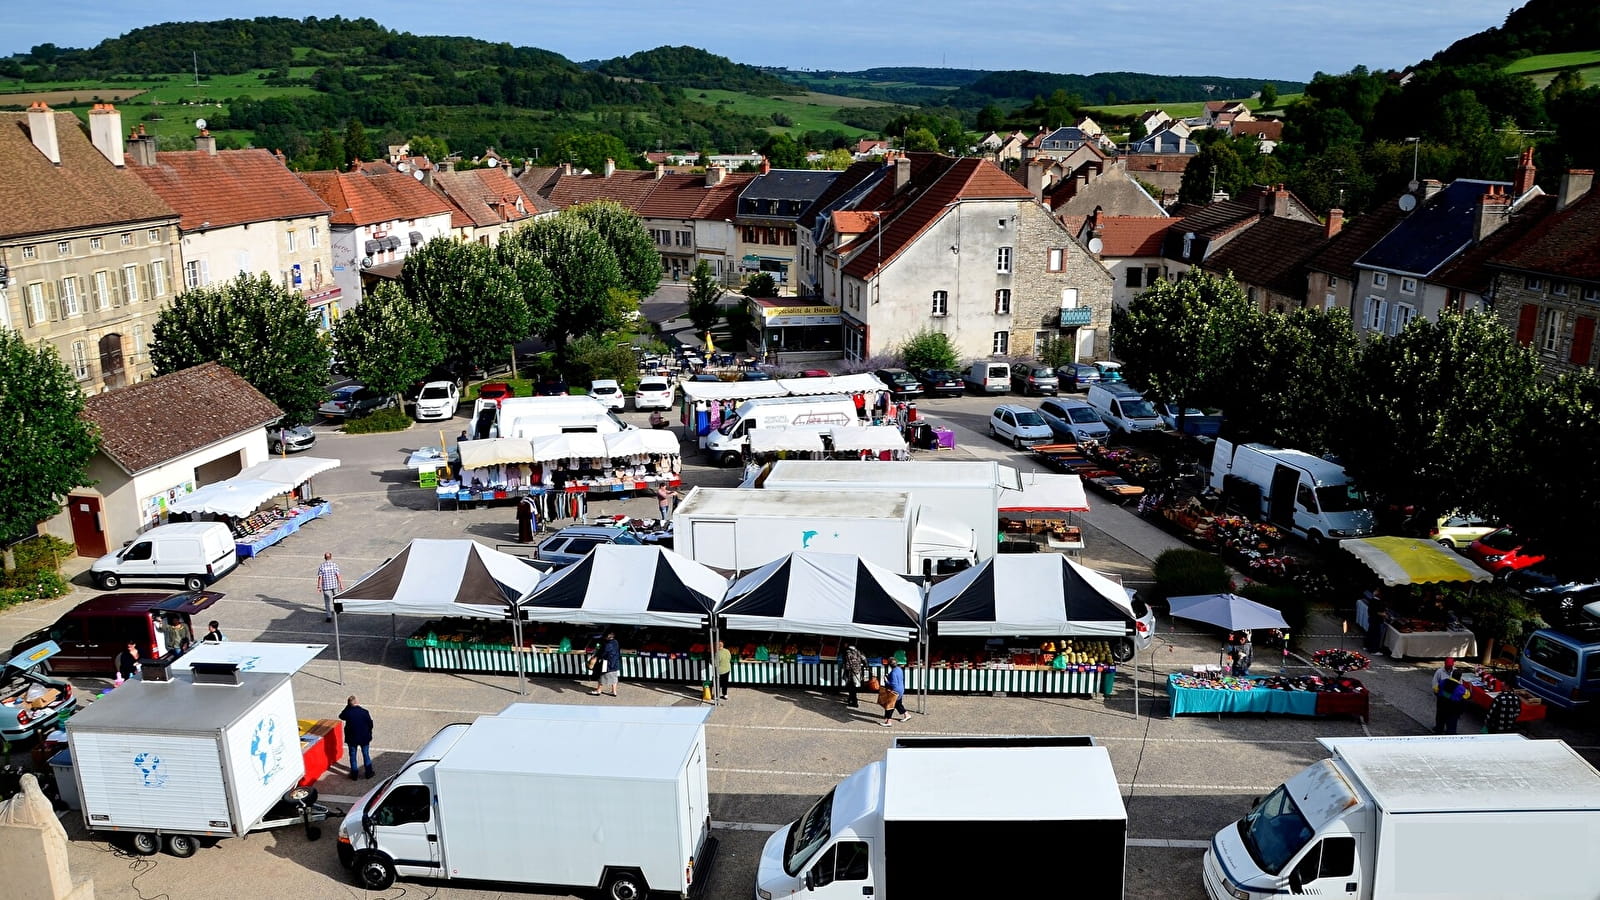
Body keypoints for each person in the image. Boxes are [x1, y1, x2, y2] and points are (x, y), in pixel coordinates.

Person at [340, 696, 375, 779]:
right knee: (366, 754)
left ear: (349, 704)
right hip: (364, 737)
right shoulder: (364, 712)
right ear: (357, 702)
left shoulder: (348, 713)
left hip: (352, 738)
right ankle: (368, 773)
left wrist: (347, 707)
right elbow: (370, 724)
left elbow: (341, 716)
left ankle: (354, 774)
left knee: (353, 756)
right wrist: (369, 732)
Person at [1433, 658, 1471, 735]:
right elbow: (1467, 696)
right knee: (1451, 728)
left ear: (1452, 674)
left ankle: (1438, 732)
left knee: (1440, 723)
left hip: (1441, 707)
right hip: (1453, 711)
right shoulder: (1461, 689)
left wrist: (1444, 695)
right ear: (1460, 678)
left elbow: (1436, 689)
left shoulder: (1443, 682)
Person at [590, 631, 622, 697]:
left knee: (601, 675)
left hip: (607, 663)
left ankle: (598, 690)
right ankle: (614, 691)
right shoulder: (616, 642)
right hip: (615, 662)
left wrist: (596, 656)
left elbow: (603, 654)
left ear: (608, 636)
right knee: (614, 677)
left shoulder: (607, 644)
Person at [879, 660, 908, 726]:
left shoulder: (893, 672)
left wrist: (886, 681)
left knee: (889, 705)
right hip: (901, 689)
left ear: (889, 665)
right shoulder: (899, 669)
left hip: (895, 691)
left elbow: (893, 684)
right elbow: (898, 679)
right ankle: (906, 714)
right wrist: (889, 676)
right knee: (898, 703)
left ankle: (888, 721)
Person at [316, 552, 343, 623]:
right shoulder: (334, 565)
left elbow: (320, 577)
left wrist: (319, 586)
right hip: (334, 585)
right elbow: (338, 576)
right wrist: (341, 584)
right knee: (336, 598)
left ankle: (329, 616)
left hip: (326, 586)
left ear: (324, 558)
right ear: (331, 557)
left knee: (327, 602)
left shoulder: (322, 566)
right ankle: (337, 610)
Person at [843, 643, 865, 708]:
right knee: (853, 686)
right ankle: (850, 699)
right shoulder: (858, 651)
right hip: (857, 671)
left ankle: (854, 702)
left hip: (851, 672)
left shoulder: (848, 652)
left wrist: (846, 672)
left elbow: (848, 663)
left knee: (851, 687)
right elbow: (864, 658)